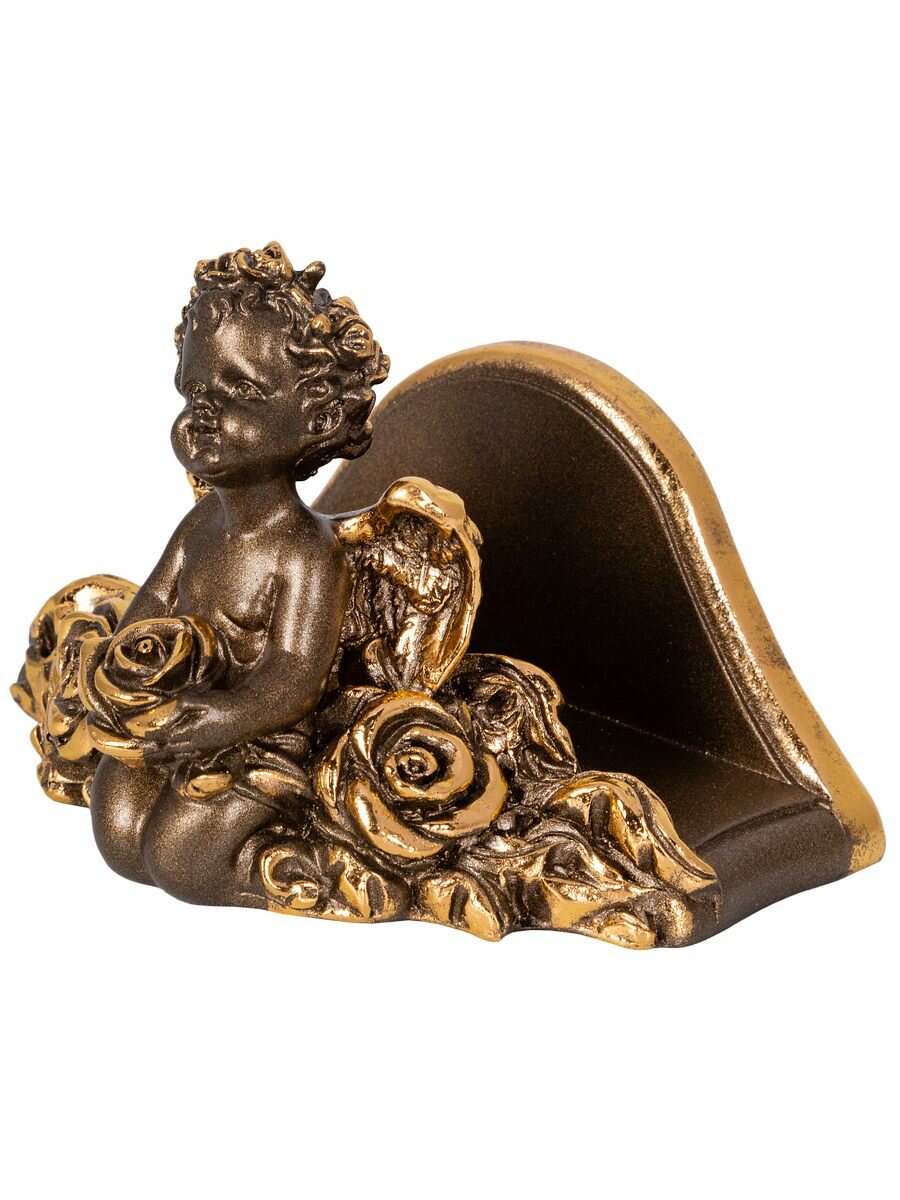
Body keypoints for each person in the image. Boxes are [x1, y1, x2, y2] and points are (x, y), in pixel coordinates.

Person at [89, 243, 389, 904]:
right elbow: (150, 607)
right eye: (195, 390)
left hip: (261, 741)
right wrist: (121, 680)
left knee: (177, 862)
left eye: (239, 392)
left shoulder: (304, 553)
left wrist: (228, 717)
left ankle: (298, 870)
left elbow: (293, 674)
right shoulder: (201, 524)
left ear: (315, 418)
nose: (203, 412)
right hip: (179, 718)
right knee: (117, 832)